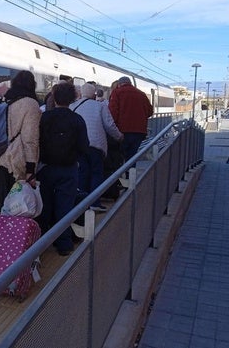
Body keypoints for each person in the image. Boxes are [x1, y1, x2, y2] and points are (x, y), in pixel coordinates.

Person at [37, 82, 89, 255]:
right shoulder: (77, 119)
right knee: (64, 207)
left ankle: (41, 243)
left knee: (44, 206)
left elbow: (37, 142)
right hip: (69, 169)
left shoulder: (44, 118)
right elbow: (84, 146)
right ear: (73, 99)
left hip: (45, 169)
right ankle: (64, 244)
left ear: (54, 97)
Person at [0, 70, 41, 213]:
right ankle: (12, 235)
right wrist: (31, 170)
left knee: (0, 205)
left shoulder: (3, 100)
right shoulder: (30, 104)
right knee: (17, 208)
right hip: (15, 163)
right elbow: (30, 140)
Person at [70, 83, 123, 212]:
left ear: (81, 93)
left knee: (82, 173)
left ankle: (81, 203)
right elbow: (109, 125)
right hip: (96, 145)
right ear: (94, 94)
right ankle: (95, 202)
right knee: (96, 174)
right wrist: (119, 136)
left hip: (80, 145)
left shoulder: (73, 106)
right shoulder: (100, 106)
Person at [109, 76, 153, 162]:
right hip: (139, 132)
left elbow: (113, 112)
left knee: (120, 156)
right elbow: (150, 112)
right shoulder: (142, 94)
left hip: (123, 131)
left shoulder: (117, 93)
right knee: (132, 156)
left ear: (119, 84)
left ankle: (121, 173)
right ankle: (131, 173)